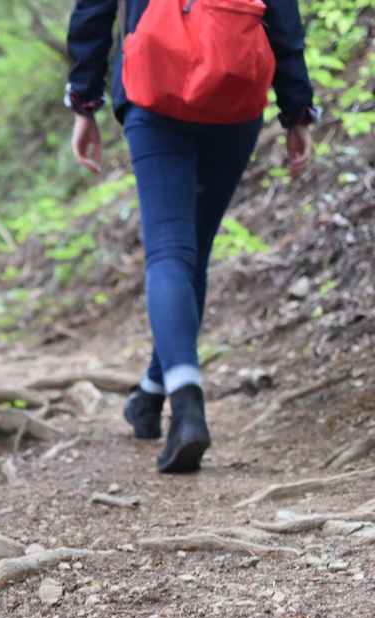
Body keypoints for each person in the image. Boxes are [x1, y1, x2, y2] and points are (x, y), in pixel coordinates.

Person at [66, 0, 317, 473]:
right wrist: (296, 109)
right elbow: (282, 15)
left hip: (154, 89)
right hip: (233, 90)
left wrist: (84, 98)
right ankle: (150, 394)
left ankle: (185, 406)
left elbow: (93, 9)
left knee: (170, 255)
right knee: (191, 256)